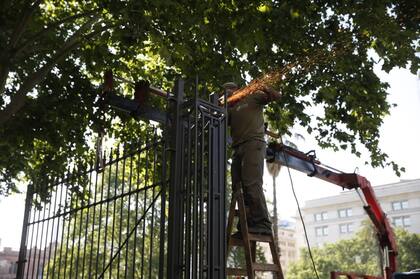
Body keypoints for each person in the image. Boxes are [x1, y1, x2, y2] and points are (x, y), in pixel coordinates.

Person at [223, 82, 282, 235]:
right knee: (238, 188)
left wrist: (264, 87)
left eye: (230, 90)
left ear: (237, 90)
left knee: (251, 183)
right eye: (225, 92)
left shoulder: (252, 97)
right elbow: (219, 119)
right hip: (238, 148)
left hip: (253, 144)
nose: (227, 93)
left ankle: (262, 223)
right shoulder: (230, 110)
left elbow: (277, 96)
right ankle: (247, 224)